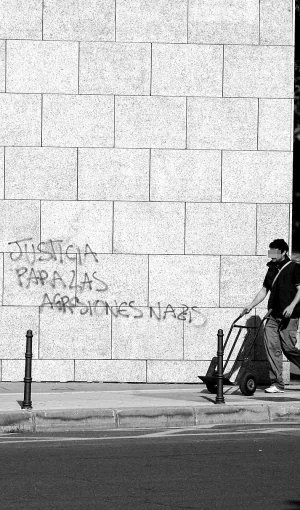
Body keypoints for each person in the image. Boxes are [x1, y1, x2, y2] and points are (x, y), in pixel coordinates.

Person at [242, 239, 300, 393]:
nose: (272, 256)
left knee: (289, 349)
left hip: (289, 316)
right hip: (273, 315)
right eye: (270, 252)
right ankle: (277, 383)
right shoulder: (272, 269)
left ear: (284, 252)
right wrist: (250, 305)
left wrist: (292, 305)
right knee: (271, 348)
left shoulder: (294, 268)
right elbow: (264, 290)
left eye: (275, 252)